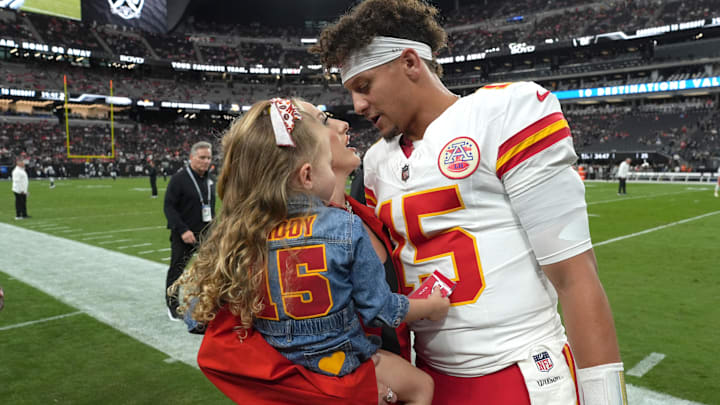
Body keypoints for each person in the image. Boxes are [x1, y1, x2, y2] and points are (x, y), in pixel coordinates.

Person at [311, 1, 626, 404]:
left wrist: (606, 398)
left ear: (410, 63)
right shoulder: (375, 163)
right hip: (426, 380)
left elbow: (575, 276)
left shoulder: (506, 113)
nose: (357, 105)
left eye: (364, 85)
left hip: (520, 373)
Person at [175, 99, 448, 405]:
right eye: (321, 119)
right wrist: (431, 307)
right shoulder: (345, 227)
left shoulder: (244, 234)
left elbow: (194, 314)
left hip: (316, 360)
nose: (342, 125)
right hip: (349, 363)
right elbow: (380, 308)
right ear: (306, 172)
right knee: (423, 386)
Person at [163, 141, 215, 321]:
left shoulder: (209, 179)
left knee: (211, 269)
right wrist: (183, 230)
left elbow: (210, 206)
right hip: (183, 235)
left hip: (206, 233)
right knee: (177, 271)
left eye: (208, 157)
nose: (206, 161)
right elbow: (169, 207)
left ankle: (207, 302)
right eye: (202, 157)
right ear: (192, 157)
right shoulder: (179, 179)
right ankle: (172, 305)